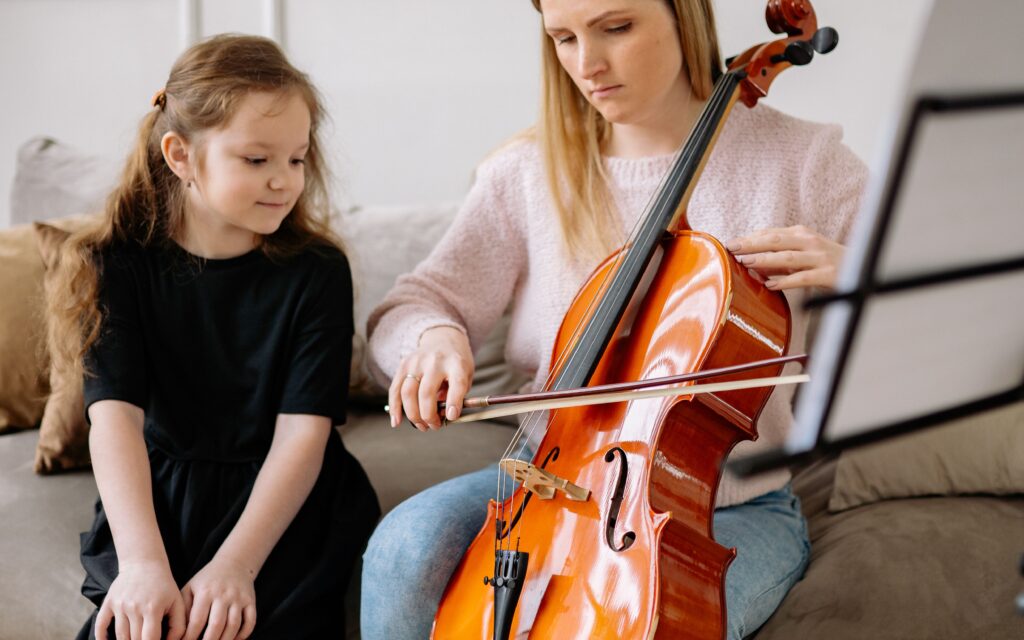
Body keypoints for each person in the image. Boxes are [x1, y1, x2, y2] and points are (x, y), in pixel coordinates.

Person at [362, 0, 866, 638]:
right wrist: (432, 336)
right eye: (563, 39)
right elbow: (410, 304)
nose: (586, 64)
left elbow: (948, 303)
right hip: (548, 486)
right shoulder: (526, 172)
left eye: (616, 27)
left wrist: (860, 271)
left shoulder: (804, 160)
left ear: (684, 16)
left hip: (729, 508)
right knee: (405, 546)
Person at [48, 34, 380, 640]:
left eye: (297, 159)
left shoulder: (318, 272)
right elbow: (114, 422)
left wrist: (236, 564)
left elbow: (303, 433)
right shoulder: (113, 264)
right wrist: (144, 563)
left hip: (283, 505)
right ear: (180, 155)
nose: (284, 181)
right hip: (163, 500)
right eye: (257, 160)